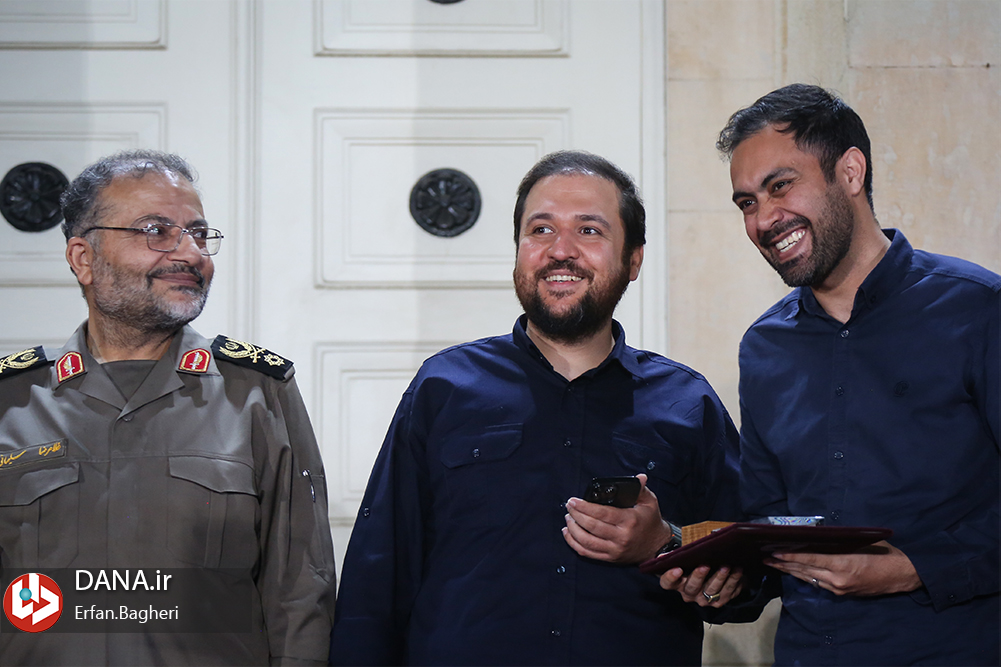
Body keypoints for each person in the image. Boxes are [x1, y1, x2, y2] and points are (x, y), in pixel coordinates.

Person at [329, 150, 748, 666]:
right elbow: (376, 579)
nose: (560, 251)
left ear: (634, 260)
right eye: (541, 230)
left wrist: (665, 544)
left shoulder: (688, 403)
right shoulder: (443, 387)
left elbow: (750, 577)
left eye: (589, 231)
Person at [0, 150, 336, 665]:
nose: (190, 253)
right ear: (83, 258)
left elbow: (300, 591)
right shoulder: (11, 400)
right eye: (156, 230)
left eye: (198, 234)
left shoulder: (256, 393)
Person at [717, 84, 1000, 665]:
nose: (764, 219)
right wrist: (713, 572)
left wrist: (914, 568)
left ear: (850, 171)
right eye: (747, 202)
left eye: (780, 185)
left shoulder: (977, 311)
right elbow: (768, 521)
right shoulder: (763, 347)